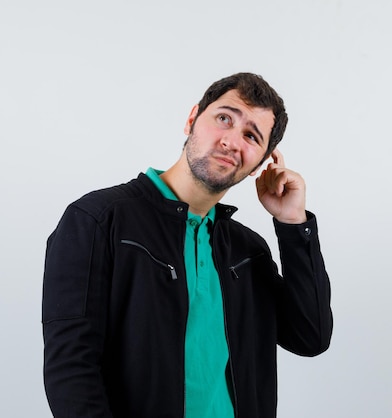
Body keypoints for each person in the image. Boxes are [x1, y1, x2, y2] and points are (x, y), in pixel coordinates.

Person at [42, 72, 333, 418]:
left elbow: (310, 336)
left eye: (251, 136)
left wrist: (292, 223)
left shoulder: (247, 251)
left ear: (261, 163)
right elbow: (71, 369)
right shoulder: (97, 220)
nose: (231, 141)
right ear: (192, 118)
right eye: (224, 118)